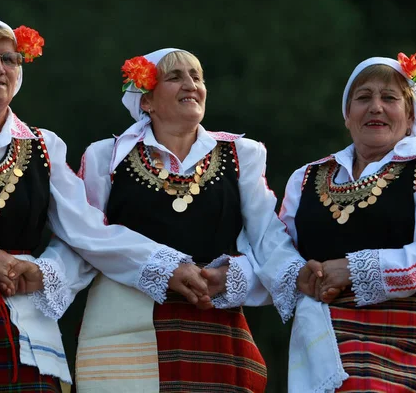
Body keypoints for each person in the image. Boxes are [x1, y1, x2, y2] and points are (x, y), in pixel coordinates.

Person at [0, 20, 213, 392]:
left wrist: (162, 267)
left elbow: (86, 232)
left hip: (19, 315)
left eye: (10, 59)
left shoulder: (43, 145)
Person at [74, 48, 303, 393]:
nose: (191, 85)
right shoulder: (107, 157)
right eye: (176, 77)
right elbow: (87, 237)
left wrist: (233, 276)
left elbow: (267, 238)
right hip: (125, 322)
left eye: (196, 76)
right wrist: (161, 266)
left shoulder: (241, 154)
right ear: (146, 101)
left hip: (212, 318)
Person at [275, 53, 416, 392]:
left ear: (410, 116)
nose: (376, 107)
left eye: (389, 98)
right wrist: (301, 274)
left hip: (408, 341)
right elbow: (275, 251)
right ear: (347, 115)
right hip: (323, 337)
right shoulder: (306, 178)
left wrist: (352, 269)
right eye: (363, 97)